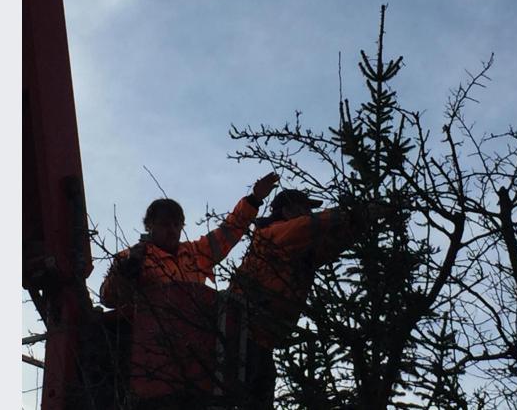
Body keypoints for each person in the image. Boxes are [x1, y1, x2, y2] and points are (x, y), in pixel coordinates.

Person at [99, 172, 279, 408]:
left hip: (199, 362)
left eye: (177, 224)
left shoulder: (196, 253)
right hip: (156, 364)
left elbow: (229, 232)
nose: (172, 230)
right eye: (165, 224)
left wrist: (254, 199)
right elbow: (108, 298)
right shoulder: (133, 257)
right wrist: (127, 269)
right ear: (149, 225)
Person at [229, 189, 389, 408]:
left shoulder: (299, 248)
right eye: (303, 208)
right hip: (243, 331)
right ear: (287, 211)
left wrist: (359, 221)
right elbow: (307, 226)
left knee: (259, 395)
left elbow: (331, 245)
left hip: (263, 337)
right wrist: (345, 213)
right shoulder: (271, 235)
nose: (307, 213)